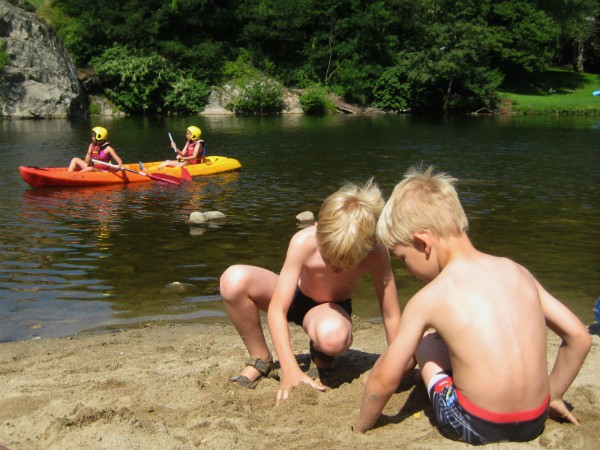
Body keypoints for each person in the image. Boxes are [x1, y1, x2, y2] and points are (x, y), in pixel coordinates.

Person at [353, 166, 592, 444]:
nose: (407, 271)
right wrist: (554, 395)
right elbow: (579, 337)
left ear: (423, 243)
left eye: (403, 258)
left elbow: (383, 381)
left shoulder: (430, 297)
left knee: (426, 344)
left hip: (477, 424)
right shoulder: (516, 270)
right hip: (534, 421)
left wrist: (361, 427)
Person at [220, 179, 403, 405]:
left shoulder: (376, 253)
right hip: (295, 296)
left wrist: (397, 364)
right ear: (317, 227)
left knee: (333, 337)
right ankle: (261, 359)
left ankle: (322, 355)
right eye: (329, 258)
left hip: (330, 309)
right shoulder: (304, 241)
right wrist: (290, 370)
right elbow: (278, 309)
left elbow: (391, 313)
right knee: (233, 280)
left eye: (347, 263)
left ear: (371, 243)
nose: (335, 267)